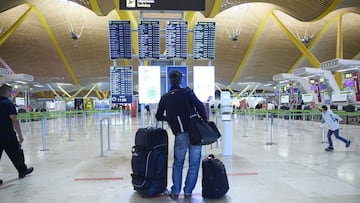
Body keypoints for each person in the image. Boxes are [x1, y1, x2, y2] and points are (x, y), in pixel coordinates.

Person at [155, 70, 207, 199]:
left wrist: (170, 120)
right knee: (194, 163)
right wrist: (204, 122)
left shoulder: (165, 97)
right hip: (195, 133)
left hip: (180, 134)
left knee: (178, 162)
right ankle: (188, 191)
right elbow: (200, 106)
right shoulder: (187, 92)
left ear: (169, 80)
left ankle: (176, 191)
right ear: (180, 81)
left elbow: (158, 116)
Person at [0, 84, 33, 184]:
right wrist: (20, 134)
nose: (11, 94)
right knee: (16, 153)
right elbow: (14, 120)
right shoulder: (8, 104)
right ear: (6, 92)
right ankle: (22, 170)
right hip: (7, 135)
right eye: (10, 92)